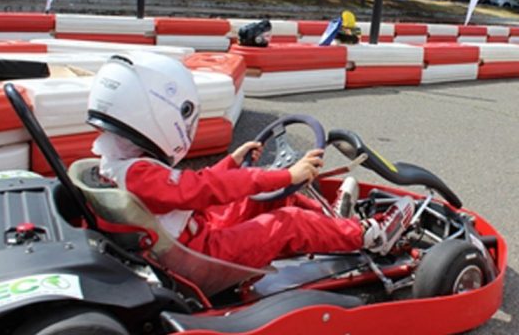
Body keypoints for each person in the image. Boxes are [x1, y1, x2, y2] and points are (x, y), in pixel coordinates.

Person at [86, 52, 414, 269]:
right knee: (286, 222)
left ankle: (338, 224)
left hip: (185, 240)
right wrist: (286, 176)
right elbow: (202, 188)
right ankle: (369, 236)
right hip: (196, 258)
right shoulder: (138, 174)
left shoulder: (115, 163)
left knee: (260, 201)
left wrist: (231, 161)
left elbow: (192, 189)